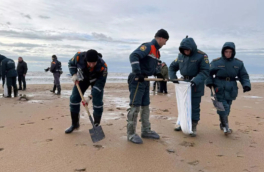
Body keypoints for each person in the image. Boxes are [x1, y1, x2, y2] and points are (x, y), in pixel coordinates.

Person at [127, 29, 169, 144]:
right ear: (161, 38)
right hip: (137, 79)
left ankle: (146, 130)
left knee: (145, 106)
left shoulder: (157, 52)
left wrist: (158, 73)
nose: (165, 43)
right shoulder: (148, 46)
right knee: (135, 106)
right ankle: (130, 134)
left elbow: (152, 68)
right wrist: (138, 72)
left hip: (145, 80)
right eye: (165, 41)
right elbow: (133, 56)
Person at [206, 42, 251, 135]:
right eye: (226, 51)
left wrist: (246, 85)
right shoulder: (216, 62)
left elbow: (243, 75)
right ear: (223, 52)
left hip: (232, 88)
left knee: (228, 108)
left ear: (233, 52)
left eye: (230, 52)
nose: (228, 54)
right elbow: (208, 73)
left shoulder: (238, 63)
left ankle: (222, 123)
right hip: (218, 87)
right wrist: (209, 82)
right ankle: (226, 127)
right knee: (222, 107)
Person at [169, 36, 209, 137]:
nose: (186, 51)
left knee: (194, 107)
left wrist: (195, 81)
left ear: (192, 48)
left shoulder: (202, 56)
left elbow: (205, 71)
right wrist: (173, 77)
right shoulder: (180, 56)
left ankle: (193, 126)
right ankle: (181, 123)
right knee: (183, 105)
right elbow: (172, 67)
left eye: (187, 49)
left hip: (196, 85)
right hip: (183, 84)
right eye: (184, 50)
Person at [65, 49, 107, 134]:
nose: (91, 65)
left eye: (93, 63)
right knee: (74, 99)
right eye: (89, 63)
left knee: (98, 103)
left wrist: (89, 97)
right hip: (83, 79)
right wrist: (74, 74)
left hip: (96, 81)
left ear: (97, 60)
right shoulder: (78, 56)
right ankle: (75, 124)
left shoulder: (103, 66)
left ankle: (96, 124)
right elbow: (71, 64)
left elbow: (100, 85)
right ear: (86, 60)